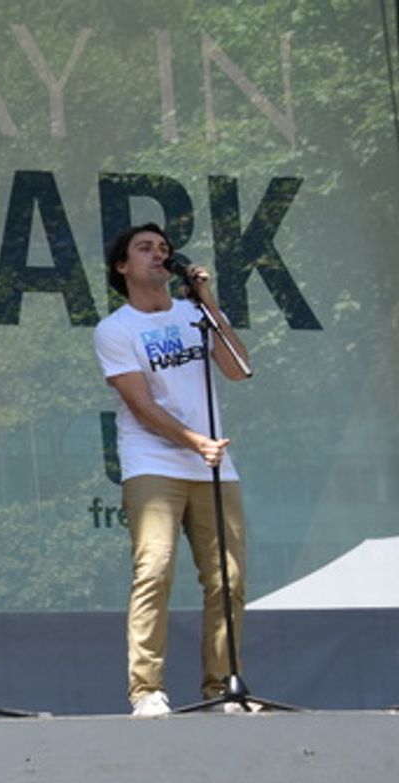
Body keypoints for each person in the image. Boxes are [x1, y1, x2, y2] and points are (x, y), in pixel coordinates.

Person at [94, 222, 251, 717]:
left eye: (164, 248)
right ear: (123, 266)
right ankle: (146, 689)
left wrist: (208, 301)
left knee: (228, 578)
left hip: (213, 466)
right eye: (145, 248)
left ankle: (222, 687)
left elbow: (239, 368)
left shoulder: (194, 314)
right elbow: (142, 407)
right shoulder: (115, 329)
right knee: (155, 569)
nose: (158, 255)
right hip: (154, 463)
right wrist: (193, 442)